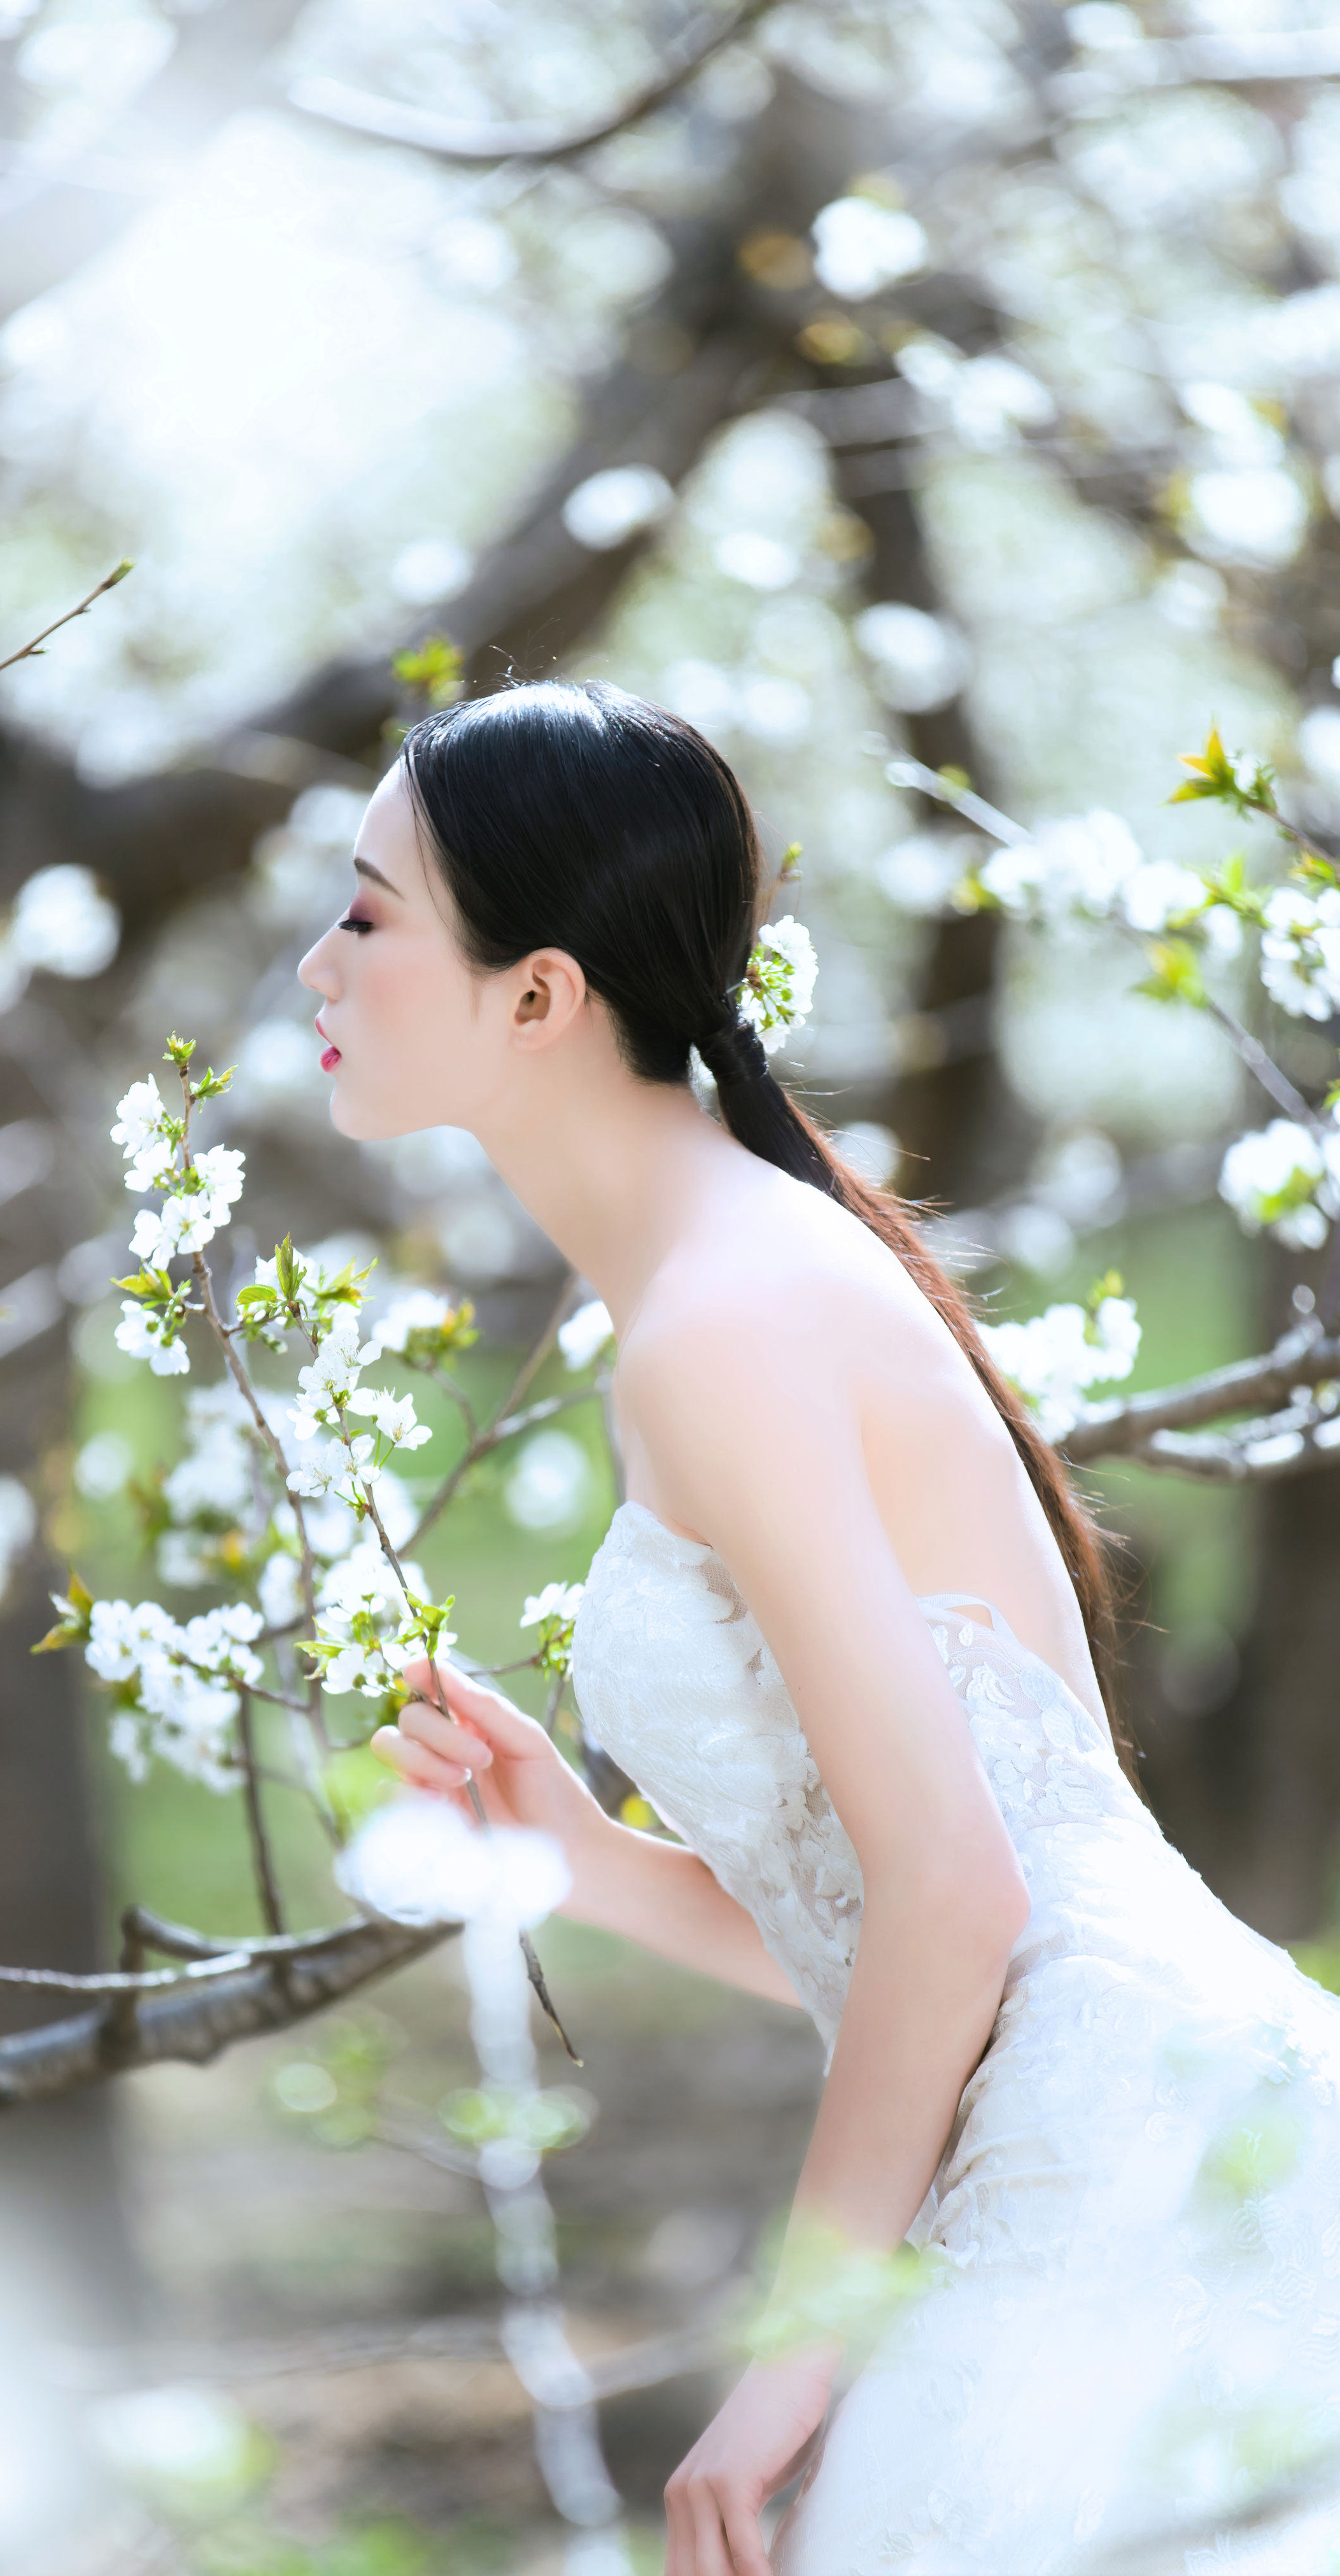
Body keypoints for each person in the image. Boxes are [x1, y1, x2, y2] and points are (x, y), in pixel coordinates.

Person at [297, 679, 1340, 2576]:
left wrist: (793, 2354)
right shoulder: (714, 1285)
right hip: (1093, 2124)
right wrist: (588, 1865)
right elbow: (909, 1925)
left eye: (365, 914)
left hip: (1111, 2176)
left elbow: (965, 1901)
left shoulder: (722, 1320)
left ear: (535, 996)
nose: (314, 962)